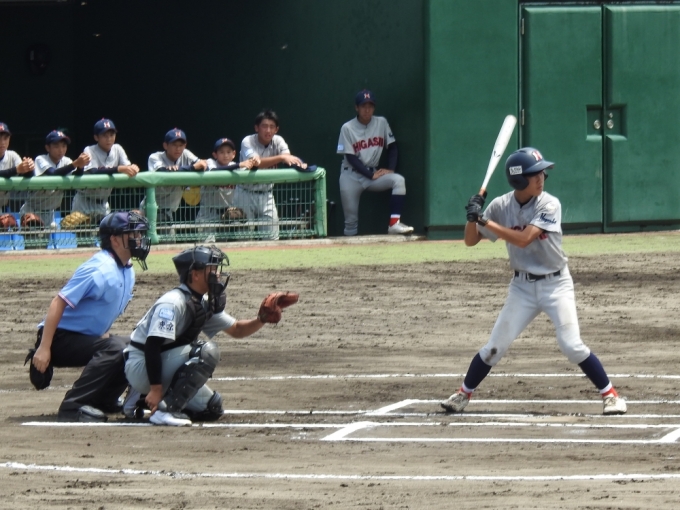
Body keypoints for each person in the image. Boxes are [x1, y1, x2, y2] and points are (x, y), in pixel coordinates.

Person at [440, 147, 627, 416]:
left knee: (571, 345)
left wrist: (484, 220)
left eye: (542, 173)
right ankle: (462, 394)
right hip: (522, 288)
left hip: (556, 285)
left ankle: (611, 396)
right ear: (518, 180)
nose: (541, 178)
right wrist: (472, 217)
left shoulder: (549, 204)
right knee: (494, 347)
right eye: (534, 174)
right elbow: (471, 240)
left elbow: (524, 239)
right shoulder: (500, 206)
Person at [123, 245, 298, 426]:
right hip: (141, 366)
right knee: (205, 352)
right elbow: (152, 345)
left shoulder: (201, 302)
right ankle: (165, 411)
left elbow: (236, 329)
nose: (217, 274)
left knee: (212, 408)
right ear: (195, 275)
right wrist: (155, 389)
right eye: (212, 269)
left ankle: (142, 399)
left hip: (159, 364)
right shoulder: (173, 302)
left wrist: (262, 319)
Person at [27, 210, 150, 422]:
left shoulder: (127, 270)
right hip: (58, 338)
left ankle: (104, 400)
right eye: (133, 234)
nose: (139, 239)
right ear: (115, 240)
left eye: (139, 234)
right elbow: (59, 302)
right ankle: (72, 406)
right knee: (115, 348)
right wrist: (44, 348)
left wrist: (100, 335)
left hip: (83, 337)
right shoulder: (98, 268)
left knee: (135, 345)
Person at [337, 90, 414, 236]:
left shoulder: (381, 122)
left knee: (398, 180)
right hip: (350, 175)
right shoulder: (347, 128)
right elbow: (350, 157)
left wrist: (391, 169)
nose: (367, 110)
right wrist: (370, 175)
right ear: (356, 108)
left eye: (370, 106)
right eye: (363, 106)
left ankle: (394, 224)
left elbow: (392, 147)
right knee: (350, 223)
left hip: (373, 173)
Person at [236, 110, 308, 241]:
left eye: (272, 126)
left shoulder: (278, 140)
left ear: (276, 129)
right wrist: (281, 157)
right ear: (256, 128)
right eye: (264, 126)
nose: (268, 130)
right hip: (245, 193)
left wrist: (299, 164)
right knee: (244, 238)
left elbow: (287, 157)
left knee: (272, 238)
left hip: (266, 194)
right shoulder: (247, 141)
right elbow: (256, 163)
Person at [68, 119, 140, 225]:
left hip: (103, 203)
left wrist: (132, 167)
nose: (109, 139)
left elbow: (127, 167)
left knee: (106, 233)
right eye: (105, 135)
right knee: (83, 234)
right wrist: (119, 169)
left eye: (111, 135)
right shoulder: (89, 150)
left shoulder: (118, 149)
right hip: (84, 201)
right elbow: (93, 171)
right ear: (96, 137)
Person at [20, 130, 90, 228]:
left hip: (50, 212)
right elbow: (53, 173)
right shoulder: (41, 159)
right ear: (47, 148)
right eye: (56, 146)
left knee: (47, 237)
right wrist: (76, 164)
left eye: (64, 146)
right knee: (33, 238)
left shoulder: (67, 161)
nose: (61, 150)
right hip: (32, 210)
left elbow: (76, 177)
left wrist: (80, 167)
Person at [142, 128, 207, 225]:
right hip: (150, 210)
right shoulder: (155, 157)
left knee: (169, 235)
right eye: (174, 145)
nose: (178, 148)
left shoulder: (186, 154)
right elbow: (162, 171)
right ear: (165, 145)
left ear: (185, 145)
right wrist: (192, 168)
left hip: (169, 212)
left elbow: (203, 166)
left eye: (181, 145)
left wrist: (180, 169)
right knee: (148, 235)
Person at [195, 137, 257, 228]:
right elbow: (214, 172)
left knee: (227, 237)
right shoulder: (210, 162)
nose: (225, 155)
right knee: (207, 238)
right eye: (221, 152)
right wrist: (239, 165)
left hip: (227, 214)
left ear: (234, 154)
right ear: (215, 154)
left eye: (228, 152)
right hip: (208, 213)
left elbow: (250, 171)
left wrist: (255, 162)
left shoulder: (234, 165)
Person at [0, 122, 35, 211]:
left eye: (5, 138)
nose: (2, 142)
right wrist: (16, 170)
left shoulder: (12, 155)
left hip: (3, 206)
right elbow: (17, 169)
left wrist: (28, 167)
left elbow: (25, 174)